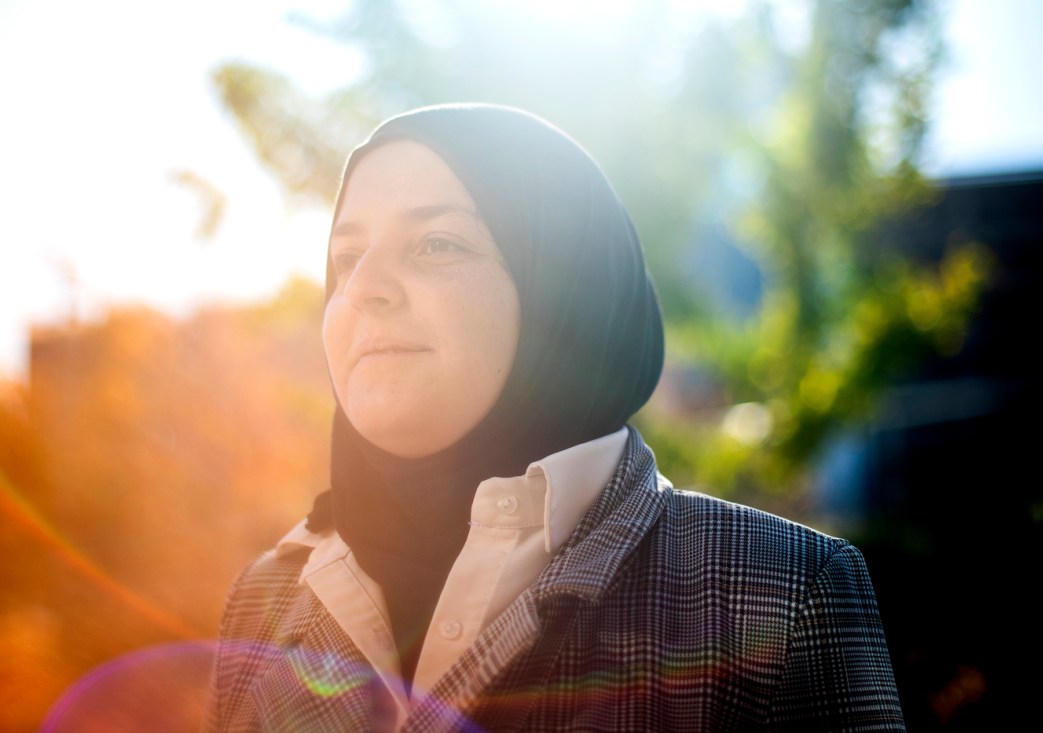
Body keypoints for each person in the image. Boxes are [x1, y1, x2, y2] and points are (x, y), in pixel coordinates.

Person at [204, 103, 905, 732]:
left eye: (436, 243)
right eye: (346, 257)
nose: (362, 289)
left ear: (564, 290)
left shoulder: (783, 589)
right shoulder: (263, 598)